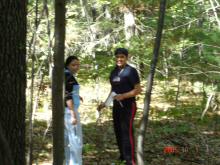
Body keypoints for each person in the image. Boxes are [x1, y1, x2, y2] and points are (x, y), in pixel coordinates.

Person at [97, 48, 141, 165]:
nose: (119, 59)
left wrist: (124, 96)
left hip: (128, 106)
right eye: (117, 57)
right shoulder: (114, 72)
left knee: (127, 133)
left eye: (122, 57)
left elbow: (138, 90)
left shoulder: (131, 71)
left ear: (126, 58)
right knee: (118, 131)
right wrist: (104, 104)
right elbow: (113, 91)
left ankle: (130, 161)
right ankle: (122, 157)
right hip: (117, 106)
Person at [64, 56, 83, 165]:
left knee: (67, 139)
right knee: (75, 140)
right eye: (73, 65)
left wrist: (78, 96)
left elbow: (69, 92)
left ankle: (67, 162)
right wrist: (73, 114)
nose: (76, 67)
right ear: (67, 65)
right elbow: (67, 96)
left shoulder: (65, 74)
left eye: (78, 65)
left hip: (65, 110)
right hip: (69, 111)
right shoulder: (68, 76)